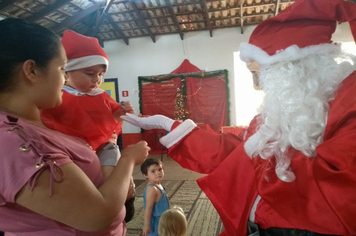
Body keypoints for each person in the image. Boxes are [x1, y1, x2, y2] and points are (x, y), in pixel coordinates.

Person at [121, 0, 356, 235]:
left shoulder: (348, 104)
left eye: (259, 75)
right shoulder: (287, 107)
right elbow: (238, 150)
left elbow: (336, 196)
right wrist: (168, 124)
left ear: (295, 67)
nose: (258, 88)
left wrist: (248, 163)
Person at [0, 18, 150, 235]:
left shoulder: (28, 127)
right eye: (62, 69)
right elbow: (96, 215)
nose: (64, 79)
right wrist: (128, 160)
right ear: (31, 71)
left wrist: (118, 181)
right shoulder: (12, 143)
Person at [41, 30, 135, 181]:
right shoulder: (57, 95)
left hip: (102, 146)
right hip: (70, 150)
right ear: (67, 72)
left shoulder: (101, 95)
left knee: (111, 154)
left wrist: (122, 112)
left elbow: (112, 117)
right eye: (90, 73)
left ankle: (111, 185)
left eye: (101, 74)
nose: (97, 79)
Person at [141, 158, 170, 236]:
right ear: (146, 175)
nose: (158, 173)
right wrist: (146, 225)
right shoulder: (152, 189)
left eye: (160, 169)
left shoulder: (157, 184)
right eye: (153, 171)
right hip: (156, 223)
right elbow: (148, 208)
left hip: (163, 220)